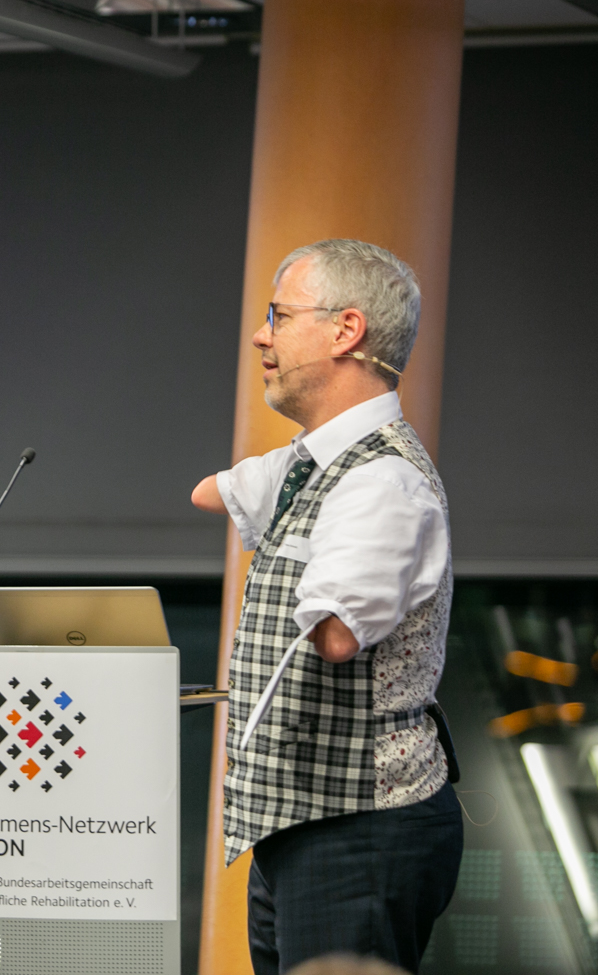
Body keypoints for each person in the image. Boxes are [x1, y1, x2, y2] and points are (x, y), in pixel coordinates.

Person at [191, 239, 462, 974]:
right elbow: (208, 492)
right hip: (304, 822)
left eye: (278, 314)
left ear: (345, 332)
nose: (259, 335)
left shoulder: (382, 482)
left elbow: (337, 634)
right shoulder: (314, 461)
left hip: (364, 825)